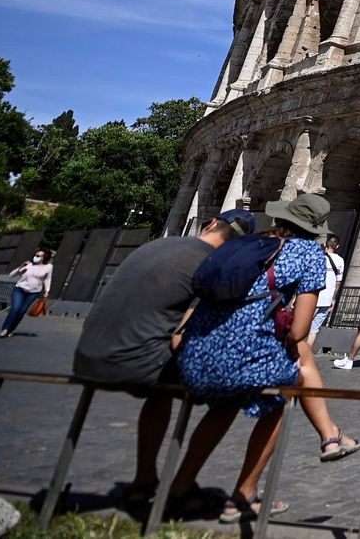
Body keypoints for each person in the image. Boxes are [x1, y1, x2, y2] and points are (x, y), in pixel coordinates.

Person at [177, 194, 360, 522]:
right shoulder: (309, 254)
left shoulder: (252, 243)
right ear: (315, 229)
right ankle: (245, 493)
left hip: (197, 348)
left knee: (225, 405)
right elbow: (299, 330)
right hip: (243, 353)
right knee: (284, 395)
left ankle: (179, 488)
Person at [73, 209, 256, 515]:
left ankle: (144, 480)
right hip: (135, 363)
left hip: (86, 355)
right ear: (238, 247)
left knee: (163, 392)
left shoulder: (159, 245)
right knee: (233, 394)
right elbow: (183, 337)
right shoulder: (209, 265)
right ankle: (182, 486)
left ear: (210, 223)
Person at [0, 246, 54, 338]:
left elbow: (47, 279)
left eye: (39, 256)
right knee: (16, 308)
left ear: (44, 257)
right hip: (20, 289)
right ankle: (5, 328)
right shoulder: (29, 265)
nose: (36, 257)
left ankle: (10, 330)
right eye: (36, 255)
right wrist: (21, 267)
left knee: (22, 311)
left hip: (33, 293)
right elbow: (11, 275)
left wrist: (47, 290)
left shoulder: (49, 267)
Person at [307, 234, 345, 348]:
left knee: (303, 324)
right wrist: (333, 298)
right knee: (314, 329)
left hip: (313, 296)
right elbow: (338, 282)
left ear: (325, 244)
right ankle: (305, 353)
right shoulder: (340, 260)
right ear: (337, 246)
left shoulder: (317, 257)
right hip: (327, 298)